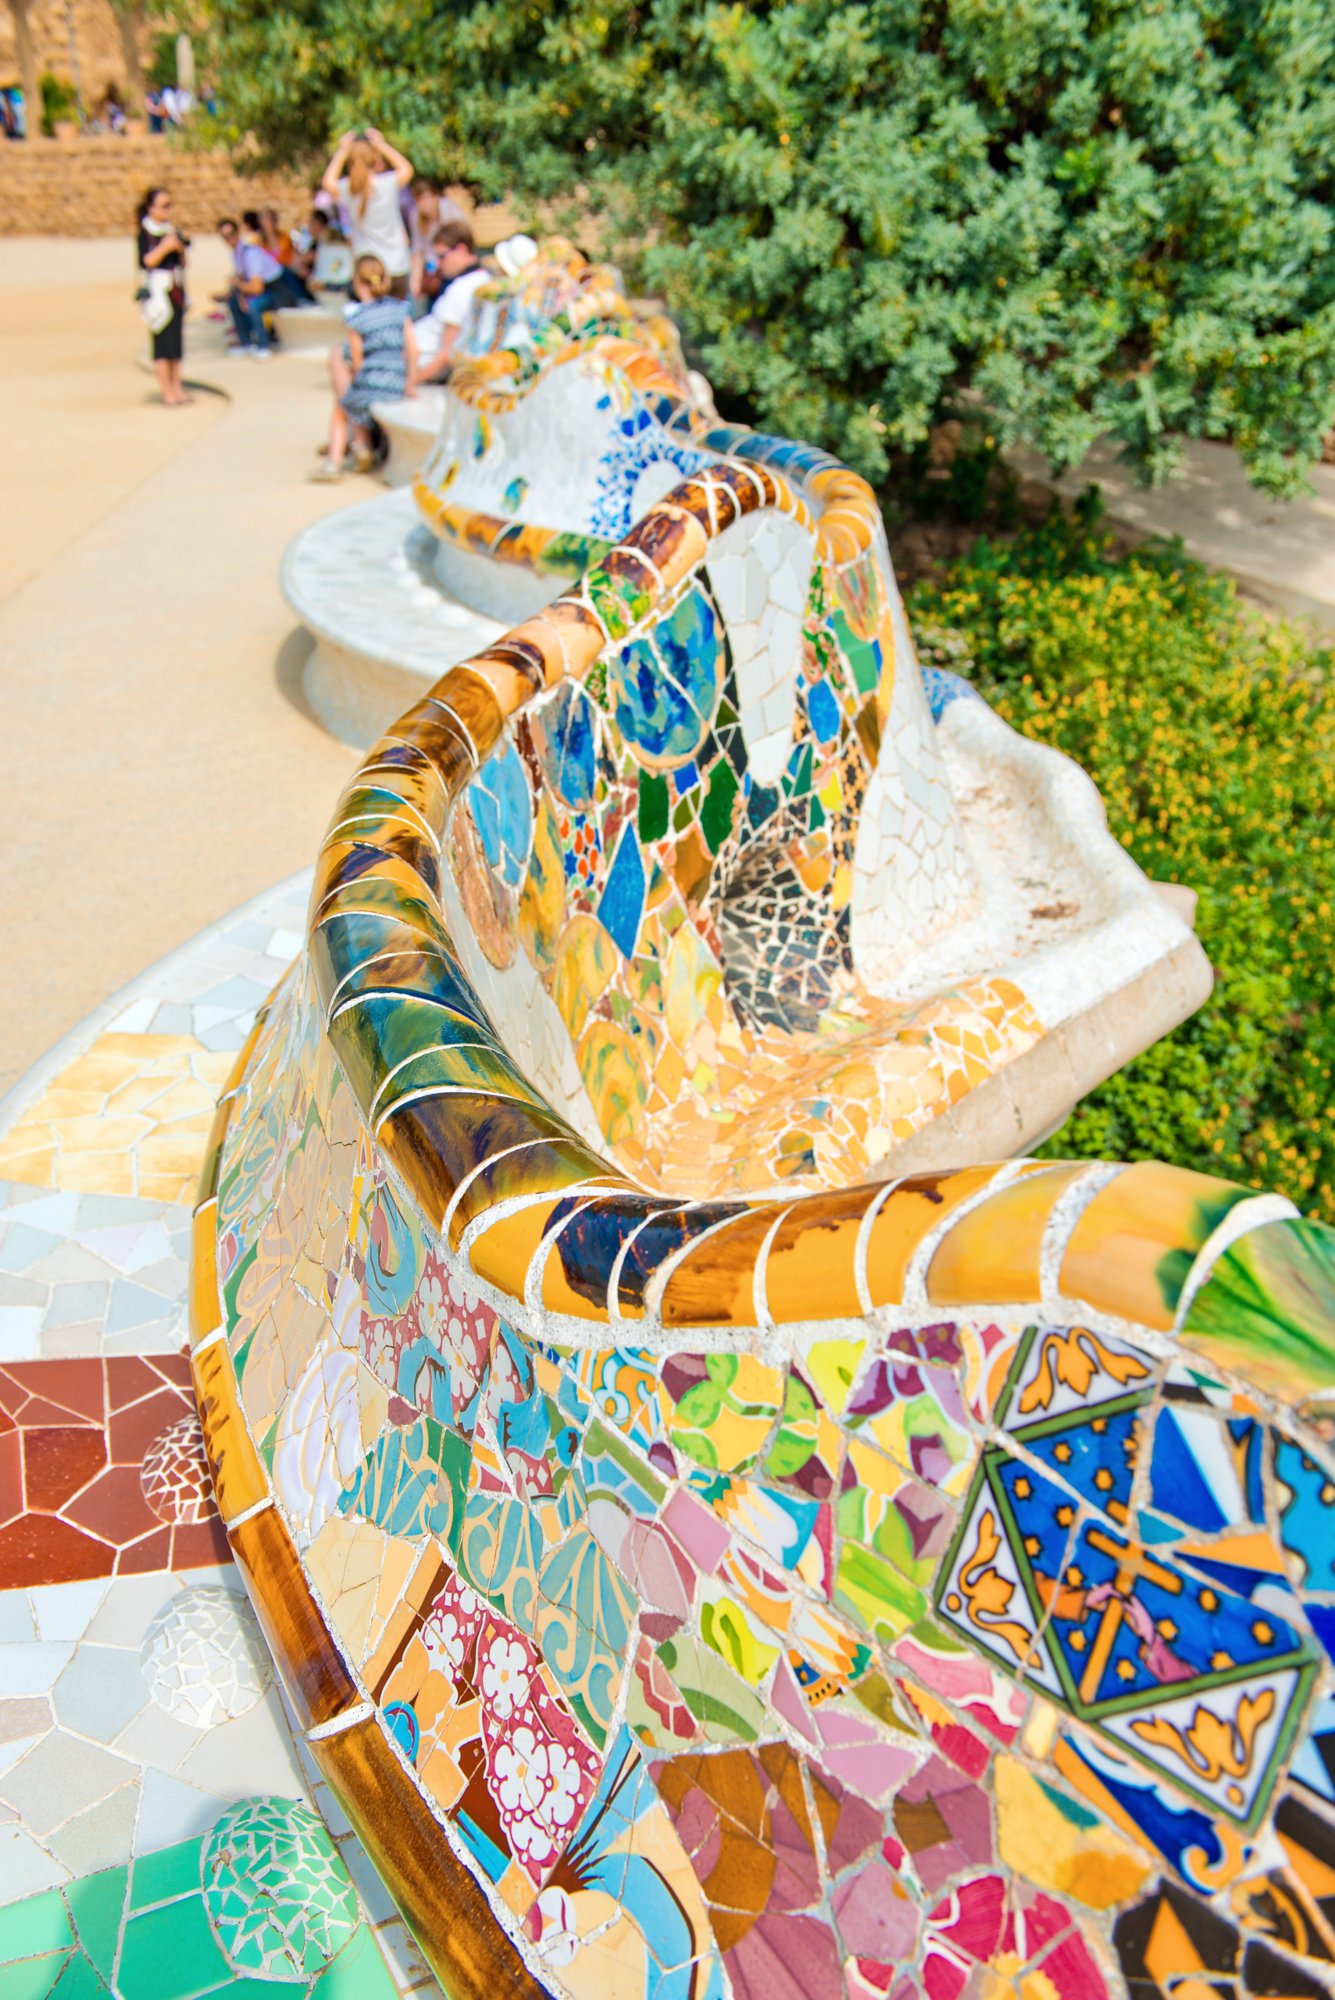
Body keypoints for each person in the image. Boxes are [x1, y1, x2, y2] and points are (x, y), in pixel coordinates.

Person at [313, 253, 416, 481]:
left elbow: (358, 362)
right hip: (397, 382)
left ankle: (335, 461)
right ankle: (361, 446)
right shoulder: (400, 310)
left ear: (357, 283)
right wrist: (409, 383)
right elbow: (412, 350)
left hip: (371, 383)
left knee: (342, 407)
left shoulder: (357, 317)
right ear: (386, 281)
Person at [321, 128, 413, 296]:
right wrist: (382, 145)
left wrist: (342, 151)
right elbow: (406, 169)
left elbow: (327, 181)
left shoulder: (349, 189)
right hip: (397, 264)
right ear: (376, 157)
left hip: (366, 267)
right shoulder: (387, 184)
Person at [409, 222, 490, 386]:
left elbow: (448, 353)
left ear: (460, 250)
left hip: (420, 368)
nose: (439, 264)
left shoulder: (462, 289)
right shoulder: (483, 279)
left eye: (441, 256)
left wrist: (412, 382)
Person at [137, 186, 190, 405]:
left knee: (176, 343)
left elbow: (184, 263)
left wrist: (179, 248)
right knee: (162, 343)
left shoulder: (171, 230)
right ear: (151, 207)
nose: (168, 210)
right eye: (164, 206)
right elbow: (146, 261)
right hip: (158, 290)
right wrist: (165, 248)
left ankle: (177, 387)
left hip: (175, 287)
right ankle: (166, 391)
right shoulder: (145, 232)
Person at [227, 211, 303, 357]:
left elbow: (257, 286)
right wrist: (240, 294)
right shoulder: (243, 250)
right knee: (235, 302)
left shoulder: (252, 252)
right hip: (265, 289)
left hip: (282, 291)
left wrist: (240, 287)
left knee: (254, 305)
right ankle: (246, 342)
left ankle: (263, 344)